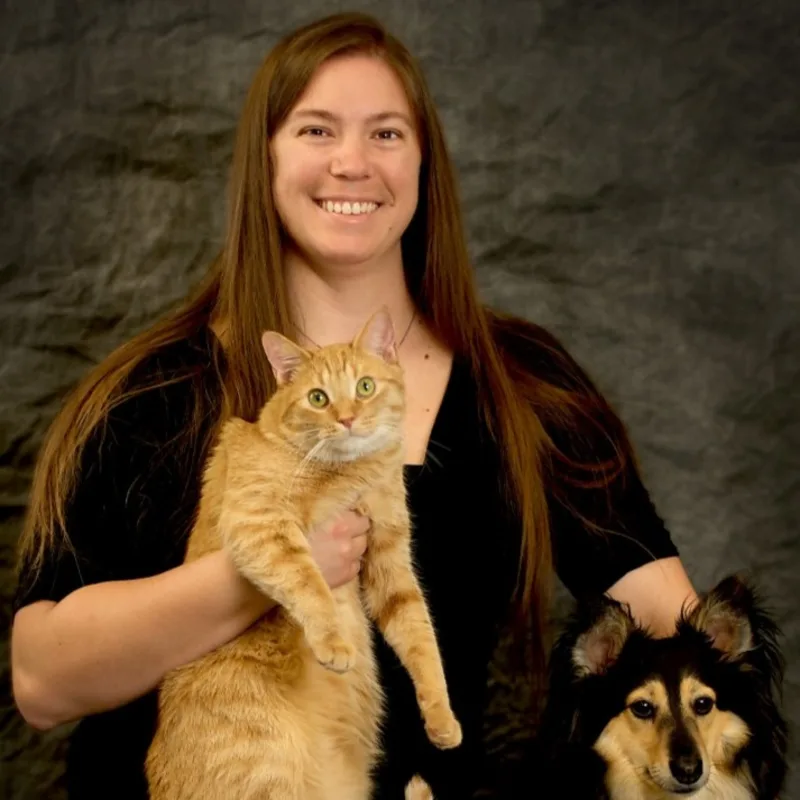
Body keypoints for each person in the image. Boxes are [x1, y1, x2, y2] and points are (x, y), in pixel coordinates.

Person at [10, 11, 697, 800]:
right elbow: (42, 681)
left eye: (386, 134)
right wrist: (267, 570)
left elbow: (685, 640)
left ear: (423, 163)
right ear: (265, 159)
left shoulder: (524, 383)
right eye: (316, 130)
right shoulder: (154, 393)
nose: (352, 163)